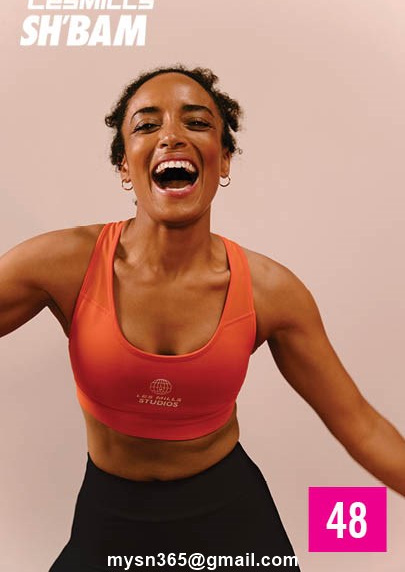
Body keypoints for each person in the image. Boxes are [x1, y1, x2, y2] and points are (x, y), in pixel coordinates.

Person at [1, 65, 404, 572]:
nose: (171, 135)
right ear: (124, 165)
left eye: (196, 122)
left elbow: (362, 427)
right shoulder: (61, 264)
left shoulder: (271, 291)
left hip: (231, 518)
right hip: (110, 518)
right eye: (147, 125)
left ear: (224, 158)